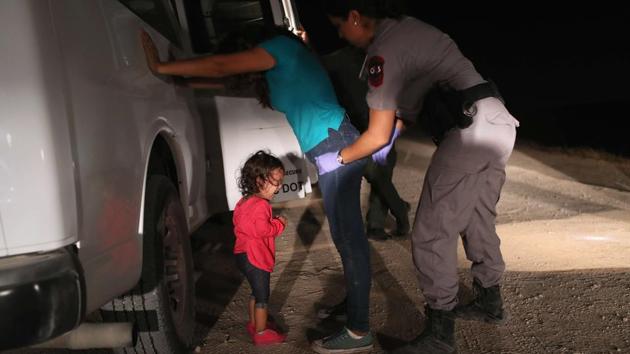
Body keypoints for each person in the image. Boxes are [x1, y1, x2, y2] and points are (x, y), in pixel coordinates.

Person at [141, 26, 374, 353]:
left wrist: (162, 68)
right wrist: (180, 79)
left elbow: (221, 67)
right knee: (346, 239)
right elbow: (222, 78)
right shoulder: (277, 70)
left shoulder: (281, 48)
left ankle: (359, 328)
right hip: (329, 149)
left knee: (350, 242)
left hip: (337, 146)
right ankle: (355, 308)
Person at [322, 1, 520, 353]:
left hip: (469, 131)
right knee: (477, 218)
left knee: (431, 232)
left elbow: (377, 134)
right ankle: (491, 303)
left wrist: (338, 157)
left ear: (355, 16)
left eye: (339, 25)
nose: (340, 33)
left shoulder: (383, 50)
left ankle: (440, 335)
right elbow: (404, 114)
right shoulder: (409, 28)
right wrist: (391, 133)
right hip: (498, 122)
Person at [232, 150, 288, 345]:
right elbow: (262, 230)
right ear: (260, 181)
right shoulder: (262, 205)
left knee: (255, 292)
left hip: (241, 254)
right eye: (276, 182)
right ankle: (262, 333)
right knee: (262, 296)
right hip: (256, 257)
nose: (279, 187)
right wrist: (279, 223)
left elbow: (241, 224)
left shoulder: (243, 202)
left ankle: (254, 323)